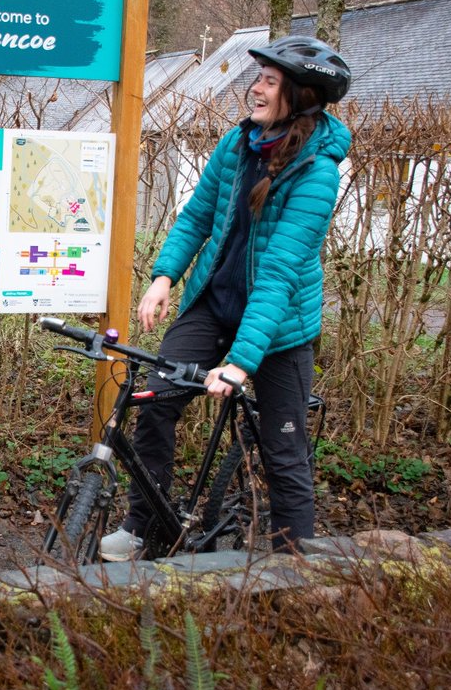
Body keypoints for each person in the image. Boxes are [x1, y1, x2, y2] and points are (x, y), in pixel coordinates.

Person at [99, 35, 352, 560]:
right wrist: (165, 277)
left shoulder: (317, 173)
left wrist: (239, 364)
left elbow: (280, 273)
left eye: (268, 81)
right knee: (155, 402)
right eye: (256, 77)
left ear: (301, 96)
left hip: (278, 329)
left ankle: (293, 572)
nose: (254, 89)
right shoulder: (238, 145)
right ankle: (145, 526)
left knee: (284, 453)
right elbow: (195, 216)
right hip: (215, 303)